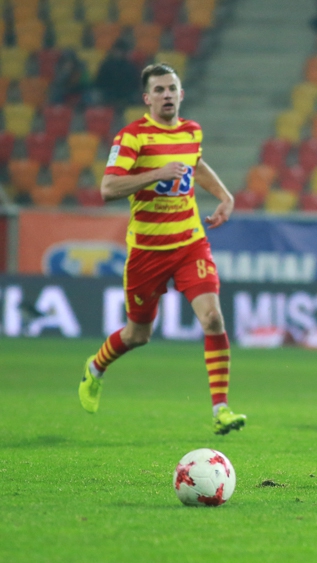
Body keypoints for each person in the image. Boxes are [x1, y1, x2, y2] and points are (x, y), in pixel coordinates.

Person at [78, 63, 247, 436]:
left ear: (181, 94)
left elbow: (195, 164)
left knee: (213, 319)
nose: (167, 94)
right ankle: (95, 367)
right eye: (159, 90)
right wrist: (156, 173)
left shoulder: (191, 131)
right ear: (147, 98)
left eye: (172, 88)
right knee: (137, 335)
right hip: (147, 252)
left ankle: (221, 409)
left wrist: (225, 196)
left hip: (190, 244)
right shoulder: (132, 138)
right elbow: (108, 189)